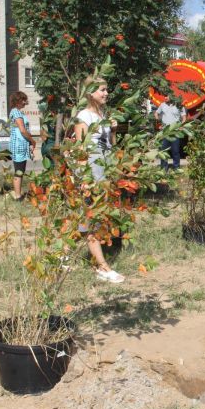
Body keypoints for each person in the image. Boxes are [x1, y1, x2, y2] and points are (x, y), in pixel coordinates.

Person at [74, 77, 125, 284]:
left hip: (103, 173)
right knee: (92, 219)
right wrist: (85, 178)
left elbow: (108, 146)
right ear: (90, 92)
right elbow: (80, 149)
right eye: (102, 90)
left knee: (90, 218)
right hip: (91, 174)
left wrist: (112, 131)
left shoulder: (102, 115)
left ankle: (65, 254)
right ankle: (102, 266)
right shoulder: (83, 116)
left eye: (106, 89)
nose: (106, 93)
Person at [8, 91, 36, 200]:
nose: (25, 102)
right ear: (17, 101)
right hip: (18, 144)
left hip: (21, 144)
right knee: (19, 171)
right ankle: (18, 196)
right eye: (23, 100)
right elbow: (23, 130)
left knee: (21, 170)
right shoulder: (16, 113)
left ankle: (18, 193)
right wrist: (32, 141)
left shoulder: (18, 112)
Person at [154, 95, 186, 171]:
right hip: (165, 132)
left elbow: (184, 117)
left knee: (175, 151)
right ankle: (163, 168)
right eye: (164, 96)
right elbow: (156, 113)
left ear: (172, 97)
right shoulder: (162, 105)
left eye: (167, 96)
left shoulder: (179, 105)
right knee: (163, 150)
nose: (165, 98)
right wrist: (158, 121)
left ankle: (176, 168)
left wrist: (181, 125)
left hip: (175, 131)